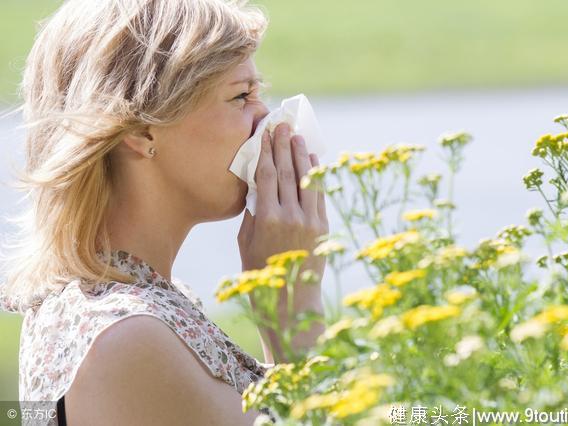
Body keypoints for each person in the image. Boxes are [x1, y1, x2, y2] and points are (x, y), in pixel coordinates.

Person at [0, 0, 328, 424]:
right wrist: (292, 307)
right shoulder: (128, 335)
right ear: (140, 129)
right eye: (241, 95)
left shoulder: (126, 307)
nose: (265, 116)